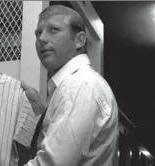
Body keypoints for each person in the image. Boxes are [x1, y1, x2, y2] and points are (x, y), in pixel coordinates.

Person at [21, 5, 119, 166]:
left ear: (79, 40)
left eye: (54, 29)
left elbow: (51, 163)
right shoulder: (76, 84)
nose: (42, 38)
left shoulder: (79, 85)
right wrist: (40, 114)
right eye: (38, 33)